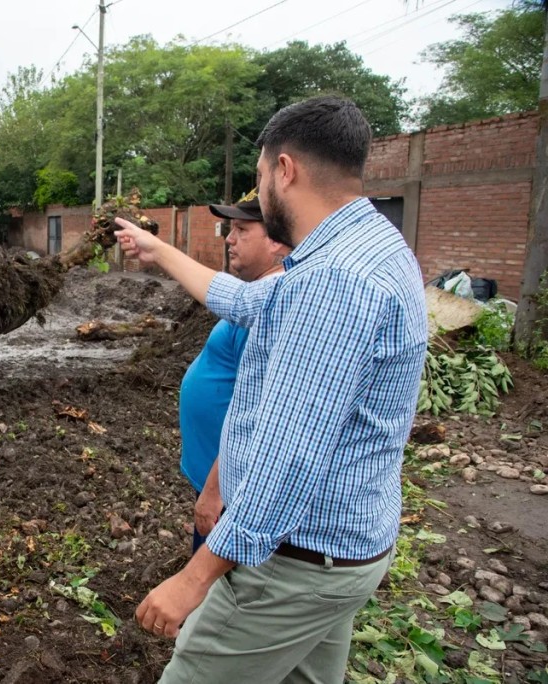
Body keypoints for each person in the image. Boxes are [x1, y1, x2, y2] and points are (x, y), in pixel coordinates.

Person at [115, 95, 427, 683]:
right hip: (341, 554)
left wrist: (194, 578)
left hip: (294, 567)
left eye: (259, 178)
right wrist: (158, 250)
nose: (259, 195)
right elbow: (245, 300)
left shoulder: (334, 282)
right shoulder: (367, 248)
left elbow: (286, 460)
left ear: (285, 170)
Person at [182, 191, 290, 555]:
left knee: (212, 588)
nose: (229, 239)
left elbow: (258, 414)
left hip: (231, 490)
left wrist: (214, 493)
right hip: (219, 480)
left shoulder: (266, 311)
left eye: (242, 229)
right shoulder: (254, 296)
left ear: (275, 240)